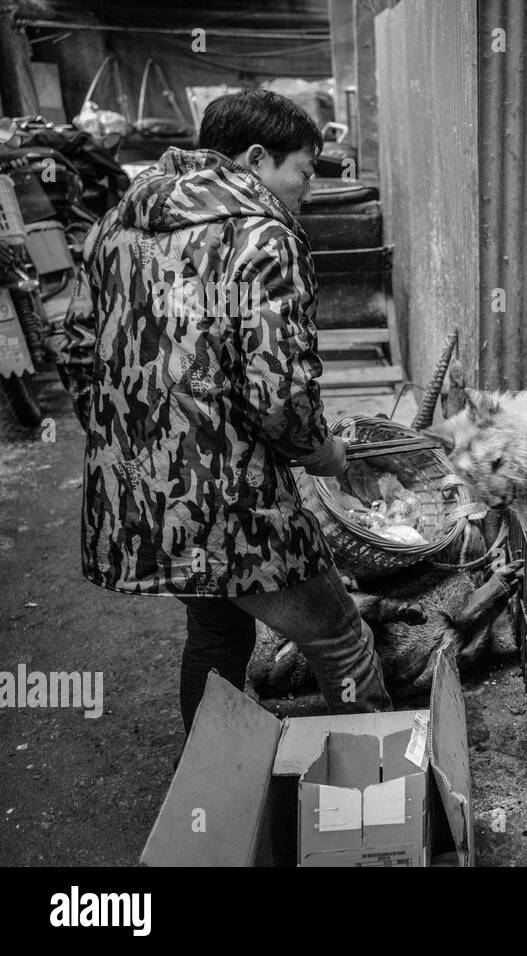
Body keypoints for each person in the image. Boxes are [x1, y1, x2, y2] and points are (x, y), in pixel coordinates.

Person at [56, 90, 391, 732]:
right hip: (229, 503)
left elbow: (75, 351)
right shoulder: (261, 236)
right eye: (304, 169)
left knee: (216, 626)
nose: (309, 189)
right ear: (258, 158)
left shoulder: (114, 227)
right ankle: (377, 792)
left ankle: (210, 793)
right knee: (338, 636)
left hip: (138, 492)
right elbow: (278, 395)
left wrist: (128, 437)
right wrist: (325, 454)